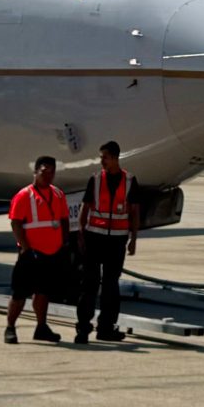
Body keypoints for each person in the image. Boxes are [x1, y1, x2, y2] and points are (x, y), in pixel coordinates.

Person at [75, 141, 139, 344]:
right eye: (101, 157)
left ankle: (105, 328)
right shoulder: (95, 179)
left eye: (105, 157)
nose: (101, 161)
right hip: (95, 238)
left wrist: (133, 239)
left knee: (111, 285)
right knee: (90, 285)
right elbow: (85, 209)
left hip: (117, 240)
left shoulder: (129, 180)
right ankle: (83, 329)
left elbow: (135, 211)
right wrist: (81, 234)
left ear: (115, 158)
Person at [3, 156, 71, 344]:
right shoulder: (24, 195)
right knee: (19, 294)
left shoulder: (58, 194)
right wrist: (25, 248)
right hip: (30, 253)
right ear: (35, 172)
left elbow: (64, 219)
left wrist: (65, 243)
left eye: (51, 172)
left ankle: (41, 327)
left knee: (43, 293)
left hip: (52, 253)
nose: (47, 176)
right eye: (44, 172)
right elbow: (15, 223)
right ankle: (10, 327)